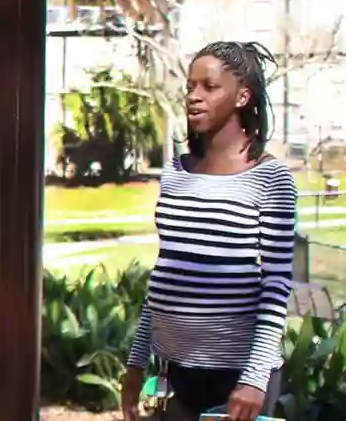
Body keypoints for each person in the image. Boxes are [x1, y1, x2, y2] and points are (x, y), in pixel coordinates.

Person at [120, 41, 295, 421]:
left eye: (209, 87)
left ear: (242, 96)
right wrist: (136, 363)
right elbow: (167, 272)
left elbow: (277, 284)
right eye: (190, 87)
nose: (194, 97)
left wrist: (253, 379)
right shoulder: (176, 172)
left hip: (236, 378)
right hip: (178, 373)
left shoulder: (270, 177)